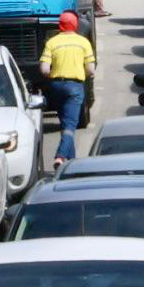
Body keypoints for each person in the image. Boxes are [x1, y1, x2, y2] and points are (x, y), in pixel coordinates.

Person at [40, 11, 96, 170]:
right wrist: (82, 74)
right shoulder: (83, 42)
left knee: (65, 123)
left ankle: (72, 164)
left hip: (56, 86)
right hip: (75, 87)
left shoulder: (52, 42)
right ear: (76, 25)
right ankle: (61, 156)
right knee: (71, 124)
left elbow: (44, 69)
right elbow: (90, 69)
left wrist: (53, 74)